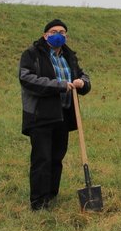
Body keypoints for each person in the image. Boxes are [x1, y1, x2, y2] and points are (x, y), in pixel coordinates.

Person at [19, 19, 91, 210]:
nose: (59, 34)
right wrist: (58, 85)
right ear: (45, 35)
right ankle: (38, 202)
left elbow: (83, 75)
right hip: (40, 115)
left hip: (63, 116)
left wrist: (82, 83)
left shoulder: (69, 56)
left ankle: (51, 195)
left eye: (62, 32)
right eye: (54, 31)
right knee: (41, 158)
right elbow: (27, 79)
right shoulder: (32, 54)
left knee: (56, 157)